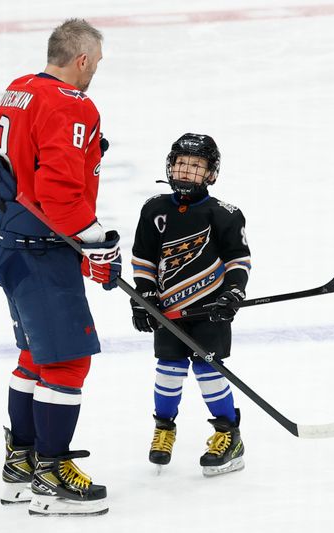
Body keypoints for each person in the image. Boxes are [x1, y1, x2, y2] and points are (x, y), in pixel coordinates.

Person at [0, 19, 119, 516]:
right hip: (40, 250)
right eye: (96, 63)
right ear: (81, 59)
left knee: (35, 356)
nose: (95, 73)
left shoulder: (18, 89)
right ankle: (51, 475)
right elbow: (59, 190)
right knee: (66, 362)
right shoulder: (71, 103)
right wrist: (95, 241)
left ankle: (20, 463)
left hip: (6, 244)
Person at [130, 133, 251, 476]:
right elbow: (143, 259)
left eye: (196, 166)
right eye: (181, 163)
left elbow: (238, 261)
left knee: (207, 370)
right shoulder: (154, 208)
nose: (186, 172)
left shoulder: (225, 214)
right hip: (168, 310)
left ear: (211, 173)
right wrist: (144, 297)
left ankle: (229, 435)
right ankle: (164, 429)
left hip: (209, 310)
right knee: (168, 369)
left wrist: (233, 293)